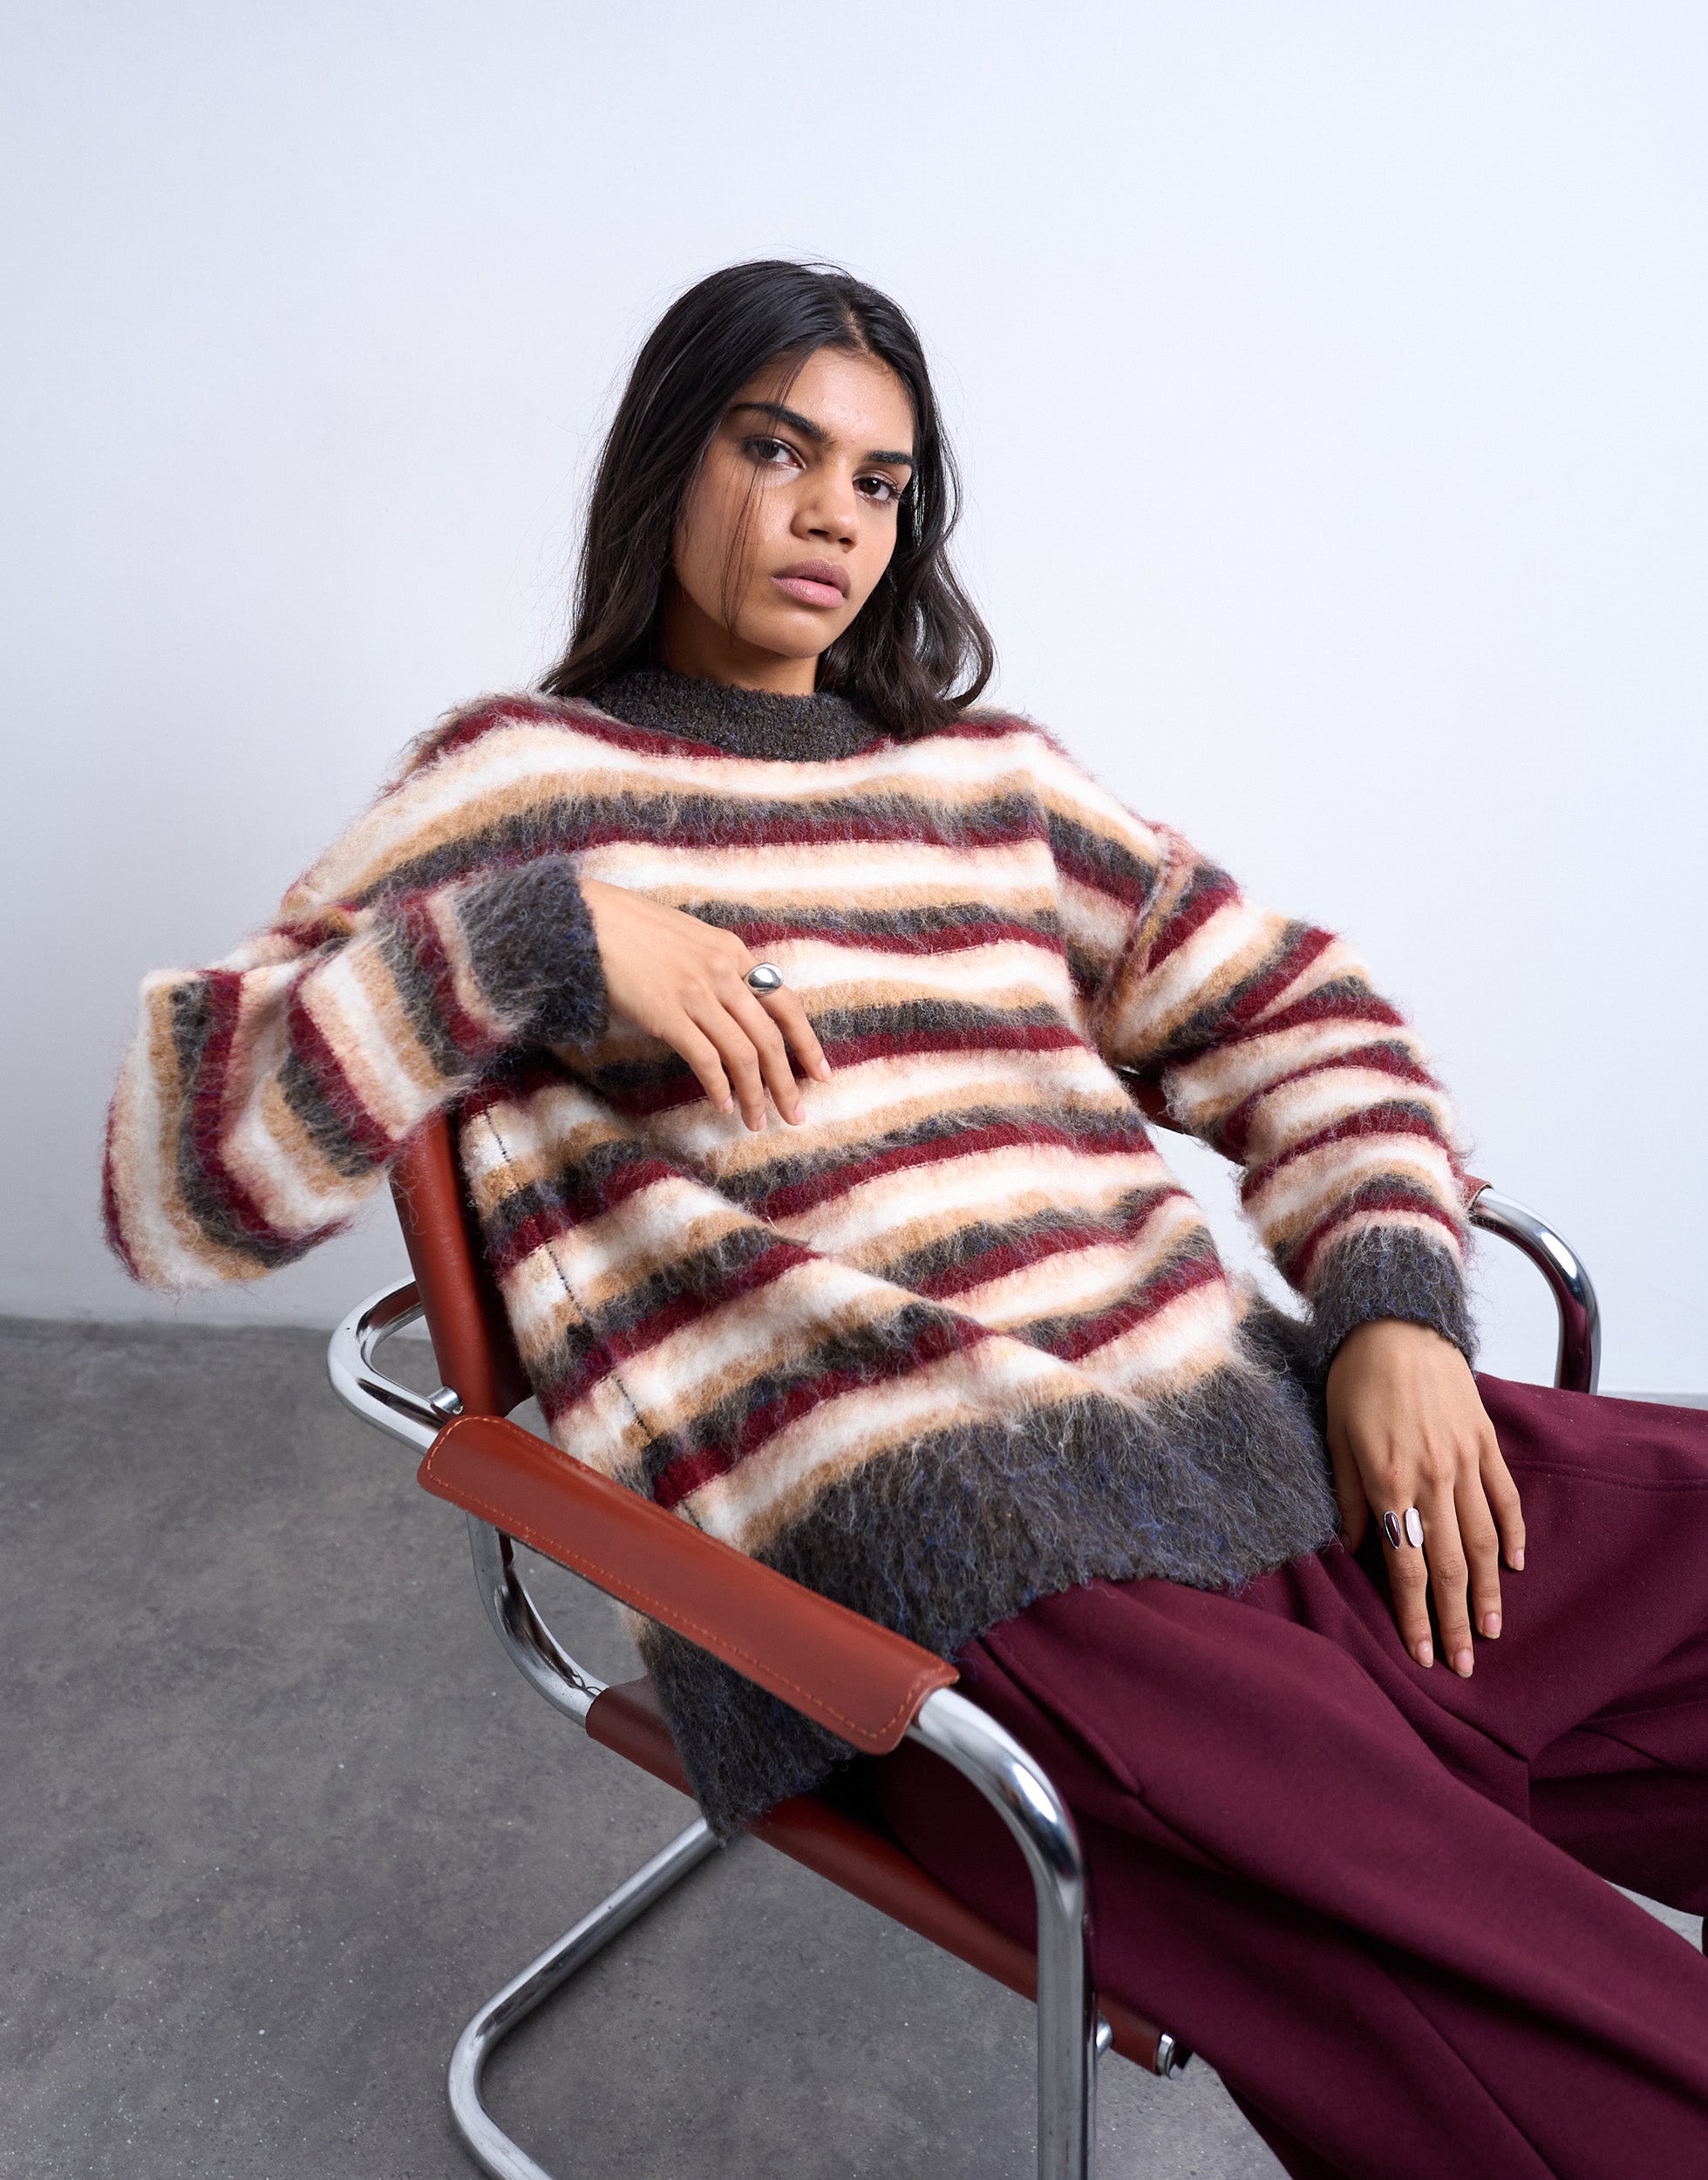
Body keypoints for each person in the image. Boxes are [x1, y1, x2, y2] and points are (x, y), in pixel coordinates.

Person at [104, 259, 1708, 2176]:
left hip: (1269, 1454)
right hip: (957, 1595)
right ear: (665, 460)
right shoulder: (524, 791)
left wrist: (1390, 1312)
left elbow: (1295, 1011)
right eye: (775, 450)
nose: (830, 519)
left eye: (878, 481)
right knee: (1557, 2024)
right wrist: (545, 936)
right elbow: (184, 1177)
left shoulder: (985, 783)